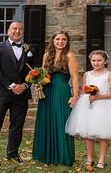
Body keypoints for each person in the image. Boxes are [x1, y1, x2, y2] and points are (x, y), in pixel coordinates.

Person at [66, 50, 111, 169]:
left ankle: (101, 160)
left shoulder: (109, 74)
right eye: (93, 60)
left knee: (103, 134)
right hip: (88, 105)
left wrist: (99, 97)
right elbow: (84, 90)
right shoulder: (87, 74)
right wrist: (79, 100)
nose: (96, 63)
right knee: (88, 134)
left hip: (104, 105)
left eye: (99, 60)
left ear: (105, 61)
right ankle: (89, 159)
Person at [0, 21, 35, 164]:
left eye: (20, 29)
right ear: (8, 31)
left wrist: (25, 85)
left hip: (22, 93)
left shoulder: (29, 49)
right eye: (14, 28)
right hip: (2, 92)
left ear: (23, 32)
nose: (17, 31)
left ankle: (13, 153)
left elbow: (34, 71)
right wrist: (11, 85)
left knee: (17, 124)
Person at [32, 31, 79, 166]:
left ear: (67, 41)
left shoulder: (70, 56)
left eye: (64, 39)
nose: (60, 41)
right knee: (46, 120)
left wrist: (75, 97)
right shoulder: (47, 55)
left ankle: (63, 156)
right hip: (47, 91)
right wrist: (38, 83)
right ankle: (45, 154)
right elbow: (42, 73)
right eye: (58, 39)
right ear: (53, 41)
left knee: (61, 121)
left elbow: (75, 77)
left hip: (61, 91)